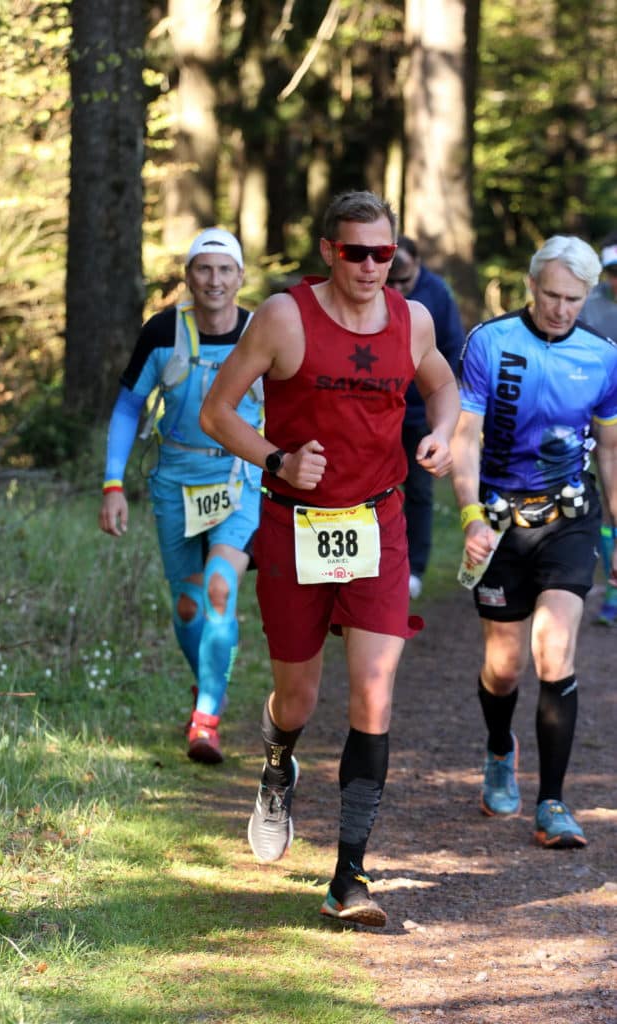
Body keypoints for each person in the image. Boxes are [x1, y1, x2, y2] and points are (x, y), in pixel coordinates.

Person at [200, 190, 459, 926]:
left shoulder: (413, 320)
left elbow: (442, 385)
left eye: (384, 253)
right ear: (328, 252)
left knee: (373, 695)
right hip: (293, 525)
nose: (372, 267)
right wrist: (276, 458)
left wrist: (440, 434)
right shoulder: (284, 318)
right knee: (300, 697)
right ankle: (278, 758)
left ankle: (349, 875)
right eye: (356, 252)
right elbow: (215, 411)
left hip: (377, 525)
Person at [451, 235, 617, 850]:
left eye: (574, 298)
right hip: (498, 520)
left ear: (587, 296)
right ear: (531, 285)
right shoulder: (490, 343)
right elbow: (464, 437)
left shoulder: (603, 356)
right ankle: (500, 747)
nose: (561, 309)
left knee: (554, 652)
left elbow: (612, 449)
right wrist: (469, 515)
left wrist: (615, 533)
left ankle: (553, 801)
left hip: (568, 520)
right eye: (551, 295)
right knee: (505, 667)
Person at [98, 228, 263, 765]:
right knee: (188, 605)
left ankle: (206, 721)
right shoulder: (163, 331)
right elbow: (128, 407)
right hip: (175, 480)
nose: (214, 281)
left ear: (241, 276)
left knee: (219, 588)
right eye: (203, 269)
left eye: (225, 270)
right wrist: (112, 484)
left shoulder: (264, 330)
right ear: (188, 276)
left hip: (239, 478)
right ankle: (206, 688)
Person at [388, 236, 465, 599]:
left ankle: (415, 567)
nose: (399, 288)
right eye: (394, 280)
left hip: (420, 410)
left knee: (418, 489)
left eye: (405, 280)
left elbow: (452, 347)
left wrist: (441, 408)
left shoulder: (437, 293)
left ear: (418, 264)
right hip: (380, 409)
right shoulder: (375, 290)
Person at [580, 231, 617, 625]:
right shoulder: (589, 309)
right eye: (614, 272)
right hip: (603, 423)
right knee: (611, 506)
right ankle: (613, 592)